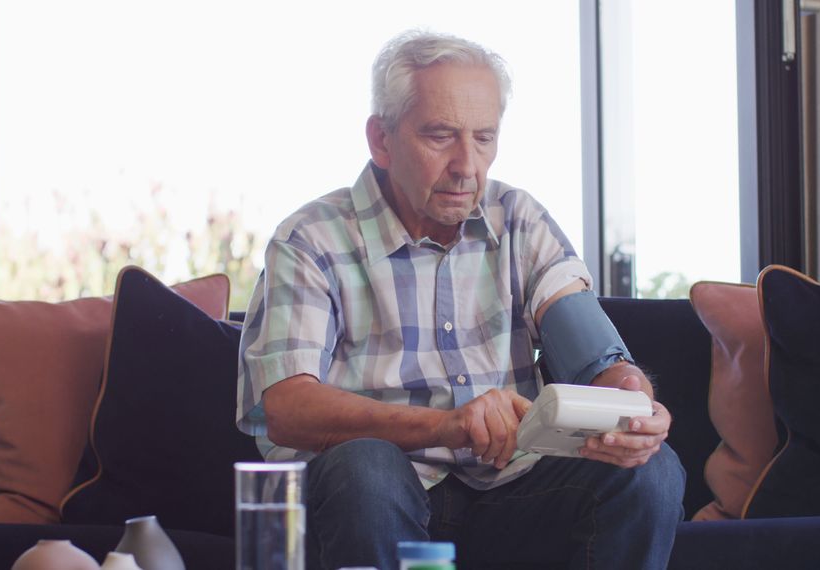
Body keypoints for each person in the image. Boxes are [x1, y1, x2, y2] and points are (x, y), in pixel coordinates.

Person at [237, 29, 685, 570]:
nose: (467, 165)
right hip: (375, 500)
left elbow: (598, 358)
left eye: (484, 138)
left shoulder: (518, 218)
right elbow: (286, 408)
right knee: (367, 467)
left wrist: (634, 406)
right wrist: (446, 425)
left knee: (650, 469)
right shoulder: (312, 238)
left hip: (514, 494)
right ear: (382, 139)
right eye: (441, 135)